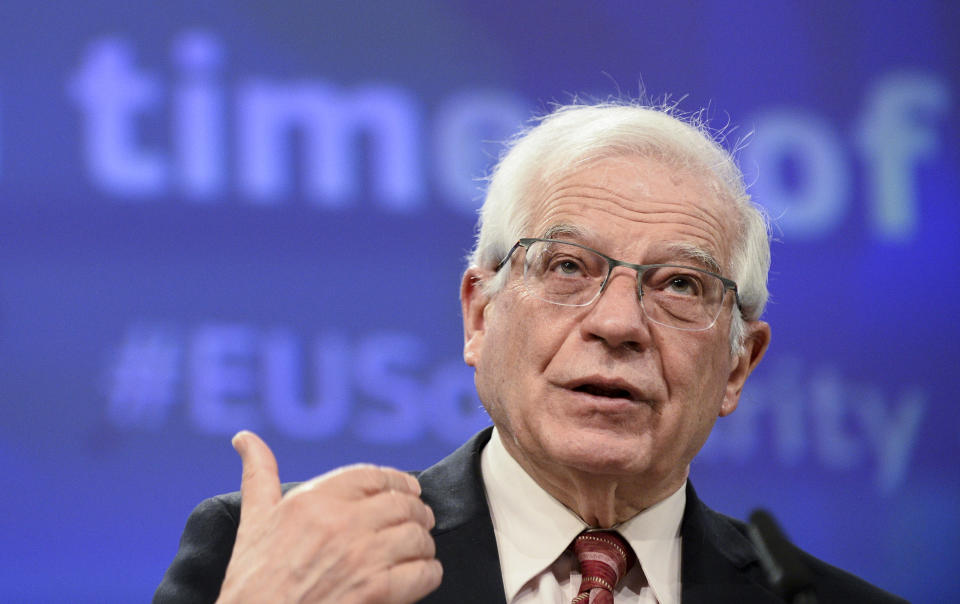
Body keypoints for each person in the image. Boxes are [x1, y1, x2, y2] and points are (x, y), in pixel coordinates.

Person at [154, 102, 907, 603]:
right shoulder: (283, 563)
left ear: (739, 365)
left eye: (679, 284)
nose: (620, 323)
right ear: (479, 314)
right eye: (569, 266)